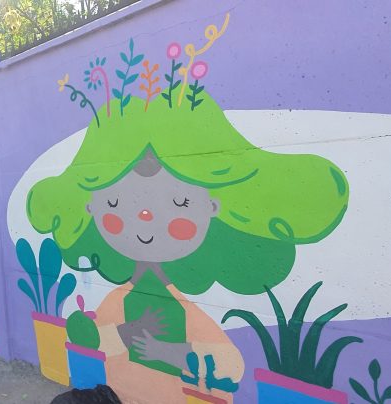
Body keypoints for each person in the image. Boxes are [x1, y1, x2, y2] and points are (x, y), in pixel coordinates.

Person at [27, 92, 349, 403]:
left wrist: (170, 352)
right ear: (90, 208)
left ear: (213, 206)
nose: (145, 217)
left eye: (180, 202)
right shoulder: (118, 300)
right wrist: (126, 333)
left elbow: (231, 365)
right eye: (114, 203)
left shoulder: (183, 307)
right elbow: (93, 340)